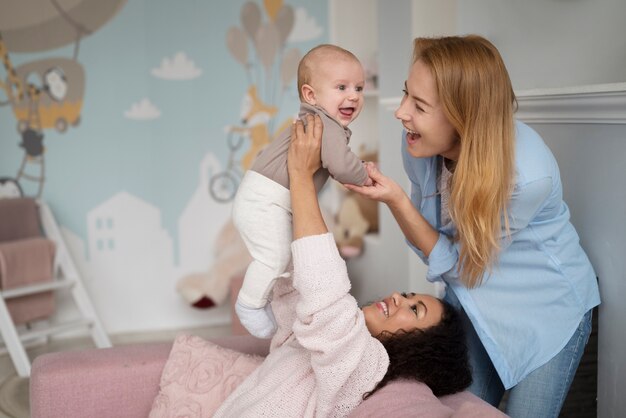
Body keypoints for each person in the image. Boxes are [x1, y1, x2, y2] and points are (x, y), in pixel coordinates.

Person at [344, 35, 601, 418]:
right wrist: (397, 199)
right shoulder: (418, 145)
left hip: (544, 312)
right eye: (405, 95)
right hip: (471, 299)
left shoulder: (525, 177)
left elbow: (458, 263)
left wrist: (398, 202)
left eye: (419, 105)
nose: (400, 112)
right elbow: (429, 248)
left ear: (463, 115)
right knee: (451, 409)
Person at [214, 114, 472, 417]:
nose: (398, 298)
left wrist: (301, 177)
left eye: (414, 310)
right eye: (408, 295)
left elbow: (325, 293)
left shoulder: (366, 365)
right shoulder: (335, 337)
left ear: (422, 348)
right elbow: (299, 287)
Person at [233, 44, 372, 338]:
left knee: (292, 261)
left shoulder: (319, 121)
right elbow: (342, 165)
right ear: (311, 95)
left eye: (359, 88)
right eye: (342, 87)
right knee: (274, 257)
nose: (353, 96)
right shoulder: (324, 123)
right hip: (264, 201)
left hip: (269, 200)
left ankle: (274, 304)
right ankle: (249, 304)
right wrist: (365, 175)